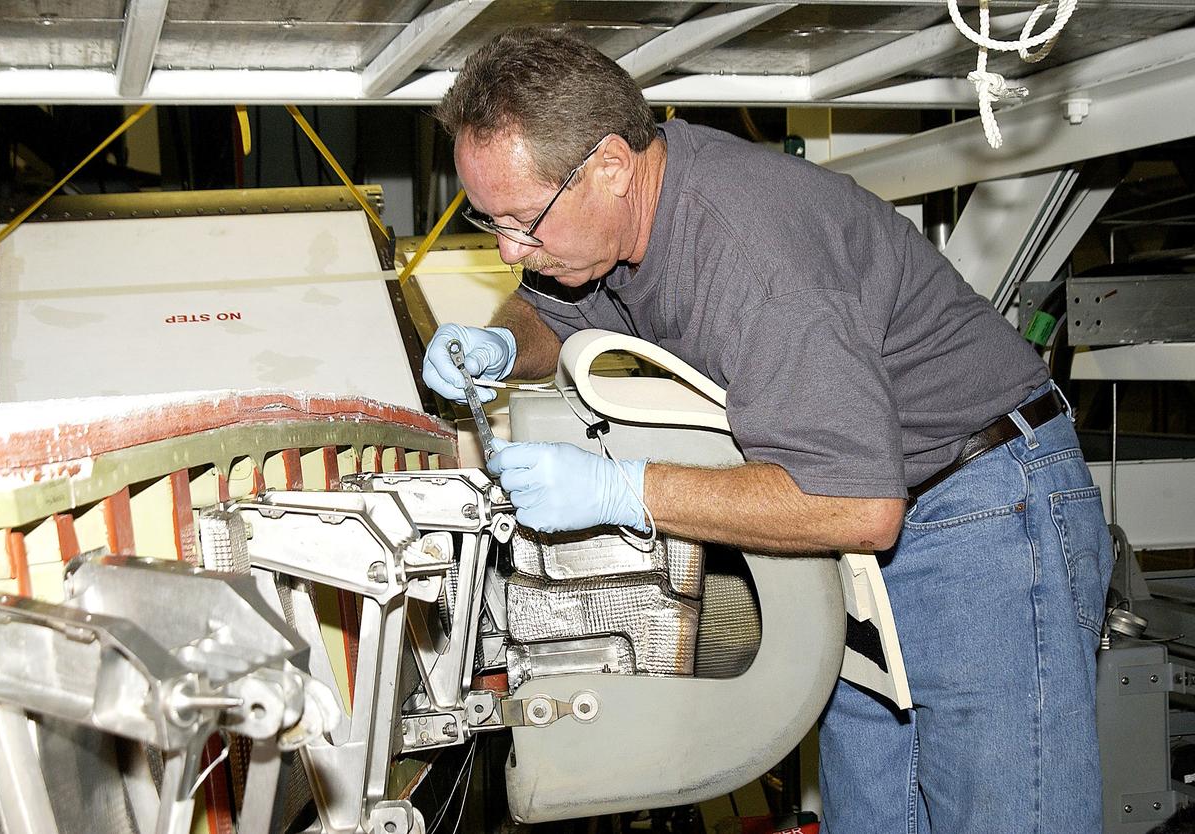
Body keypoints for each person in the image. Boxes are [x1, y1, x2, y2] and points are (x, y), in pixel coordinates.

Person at [422, 26, 1113, 834]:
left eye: (524, 221)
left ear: (610, 165)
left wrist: (623, 490)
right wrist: (504, 343)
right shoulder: (619, 217)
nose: (513, 249)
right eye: (490, 221)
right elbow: (548, 305)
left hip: (983, 517)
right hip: (881, 542)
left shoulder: (750, 254)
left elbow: (857, 504)